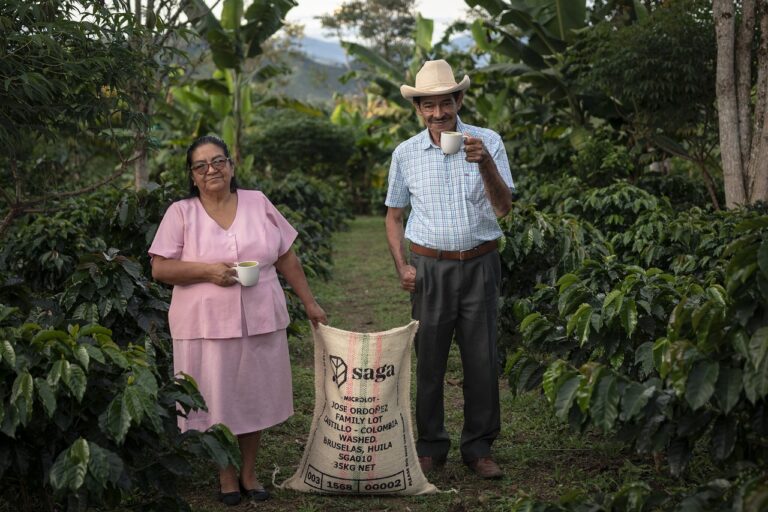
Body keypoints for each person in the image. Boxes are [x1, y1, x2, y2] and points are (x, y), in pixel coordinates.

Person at [149, 135, 327, 505]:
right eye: (201, 166)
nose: (211, 169)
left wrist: (310, 303)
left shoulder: (258, 202)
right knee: (216, 400)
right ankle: (226, 474)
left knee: (253, 397)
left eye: (218, 161)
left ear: (231, 166)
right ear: (193, 176)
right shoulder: (181, 212)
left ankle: (248, 471)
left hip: (260, 317)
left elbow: (287, 257)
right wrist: (208, 272)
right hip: (204, 326)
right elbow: (160, 268)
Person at [384, 60, 514, 479]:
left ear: (459, 100)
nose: (438, 113)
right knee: (430, 361)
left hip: (480, 262)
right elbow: (393, 216)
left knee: (481, 360)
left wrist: (485, 164)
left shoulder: (487, 141)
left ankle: (478, 448)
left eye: (446, 102)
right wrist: (403, 265)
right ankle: (430, 446)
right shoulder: (405, 153)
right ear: (418, 109)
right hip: (430, 268)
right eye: (429, 105)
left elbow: (504, 208)